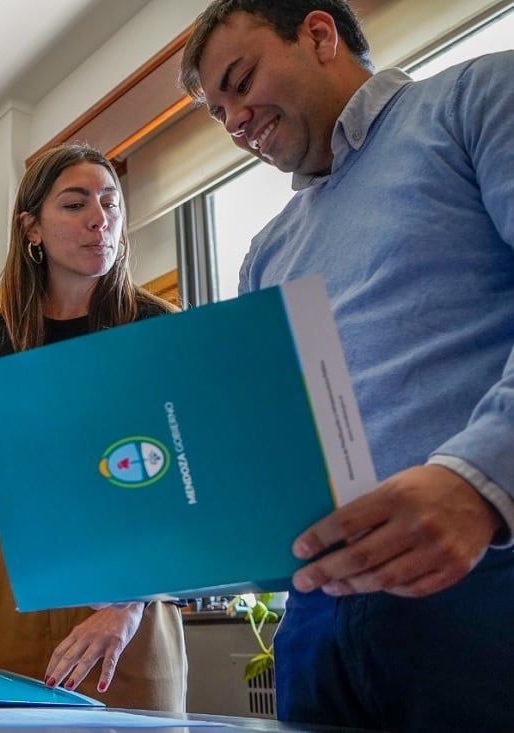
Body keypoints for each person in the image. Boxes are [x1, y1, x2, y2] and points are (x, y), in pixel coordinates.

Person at [179, 2, 514, 730]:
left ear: (320, 33)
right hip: (314, 617)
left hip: (479, 576)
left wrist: (480, 479)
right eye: (219, 112)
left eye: (239, 81)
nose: (234, 121)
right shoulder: (264, 254)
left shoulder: (476, 100)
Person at [0, 143, 187, 710]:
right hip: (7, 584)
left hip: (130, 587)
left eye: (110, 203)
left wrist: (129, 603)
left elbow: (185, 485)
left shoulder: (157, 328)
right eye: (75, 204)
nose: (99, 219)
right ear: (31, 228)